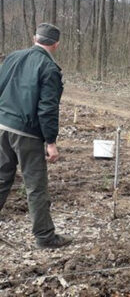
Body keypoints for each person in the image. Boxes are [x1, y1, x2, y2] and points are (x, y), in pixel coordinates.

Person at [0, 23, 72, 249]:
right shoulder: (49, 68)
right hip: (26, 133)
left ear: (35, 38)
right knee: (35, 186)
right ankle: (44, 236)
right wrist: (51, 142)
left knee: (1, 179)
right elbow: (47, 108)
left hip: (2, 126)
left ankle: (44, 234)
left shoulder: (13, 57)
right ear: (56, 44)